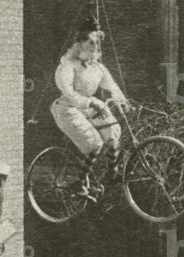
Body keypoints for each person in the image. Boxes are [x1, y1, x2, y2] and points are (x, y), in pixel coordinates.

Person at [50, 15, 131, 196]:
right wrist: (90, 102)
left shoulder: (97, 68)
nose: (96, 47)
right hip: (67, 108)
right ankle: (78, 183)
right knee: (94, 142)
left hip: (90, 106)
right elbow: (68, 92)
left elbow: (111, 86)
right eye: (92, 43)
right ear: (80, 44)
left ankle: (112, 175)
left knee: (112, 134)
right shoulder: (68, 66)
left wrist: (122, 101)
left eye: (97, 43)